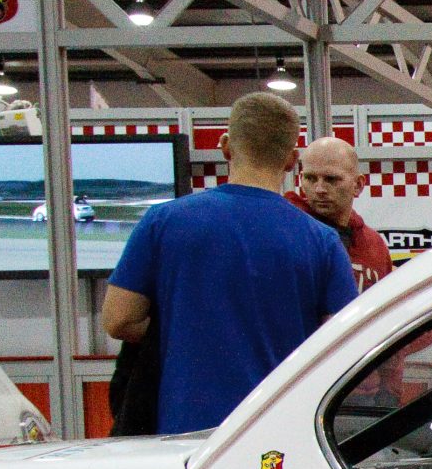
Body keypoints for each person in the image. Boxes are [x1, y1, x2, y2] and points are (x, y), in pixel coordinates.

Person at [101, 92, 356, 434]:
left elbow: (118, 320)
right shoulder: (322, 242)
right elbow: (345, 345)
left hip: (184, 435)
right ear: (291, 160)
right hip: (278, 433)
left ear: (225, 146)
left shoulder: (162, 222)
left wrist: (187, 331)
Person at [293, 136, 394, 291]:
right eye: (310, 178)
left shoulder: (374, 245)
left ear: (358, 185)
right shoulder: (289, 234)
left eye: (331, 179)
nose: (319, 189)